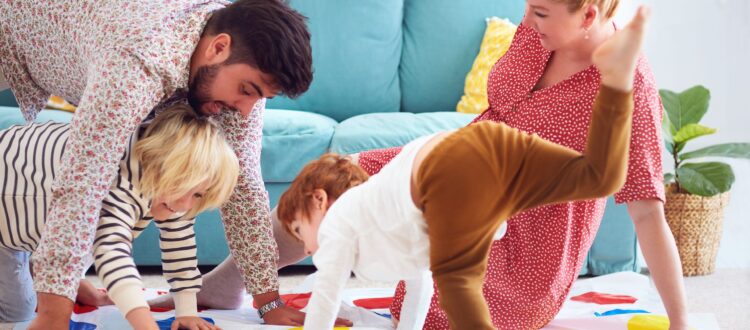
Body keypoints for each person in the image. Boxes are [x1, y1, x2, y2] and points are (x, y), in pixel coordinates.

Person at [276, 8, 652, 329]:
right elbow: (417, 275)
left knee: (458, 287)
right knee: (599, 177)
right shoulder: (536, 29)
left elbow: (324, 300)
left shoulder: (339, 225)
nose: (309, 247)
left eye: (300, 231)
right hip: (482, 156)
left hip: (472, 176)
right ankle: (615, 83)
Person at [0, 0, 313, 327]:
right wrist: (53, 314)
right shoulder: (137, 63)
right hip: (14, 22)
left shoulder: (238, 88)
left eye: (259, 97)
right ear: (218, 48)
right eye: (246, 90)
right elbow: (82, 184)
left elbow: (244, 186)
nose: (246, 110)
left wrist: (268, 301)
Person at [0, 105, 237, 329]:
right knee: (17, 315)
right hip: (7, 224)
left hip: (48, 224)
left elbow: (180, 243)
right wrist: (146, 325)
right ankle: (43, 268)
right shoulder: (120, 180)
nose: (185, 204)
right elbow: (112, 253)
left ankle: (52, 270)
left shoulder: (166, 184)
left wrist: (186, 312)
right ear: (162, 165)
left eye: (197, 194)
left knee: (93, 230)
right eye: (182, 187)